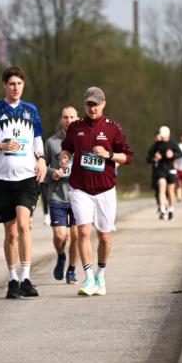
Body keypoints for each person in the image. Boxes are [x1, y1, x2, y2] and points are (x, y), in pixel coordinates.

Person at [0, 65, 48, 299]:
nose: (15, 88)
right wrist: (0, 146)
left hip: (26, 177)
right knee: (11, 232)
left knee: (24, 225)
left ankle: (26, 277)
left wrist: (41, 158)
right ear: (5, 86)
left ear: (23, 85)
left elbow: (37, 138)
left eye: (19, 84)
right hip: (2, 179)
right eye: (11, 84)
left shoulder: (31, 110)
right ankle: (12, 280)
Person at [60, 86, 133, 297]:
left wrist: (108, 155)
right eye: (89, 104)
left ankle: (100, 275)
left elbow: (127, 157)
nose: (92, 108)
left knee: (105, 236)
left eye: (96, 105)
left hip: (105, 189)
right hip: (80, 188)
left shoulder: (112, 128)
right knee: (83, 231)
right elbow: (67, 147)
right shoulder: (75, 127)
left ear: (103, 104)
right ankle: (89, 277)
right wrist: (65, 156)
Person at [42, 106, 80, 285]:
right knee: (60, 236)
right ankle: (61, 255)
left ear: (77, 119)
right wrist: (52, 173)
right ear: (61, 120)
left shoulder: (83, 140)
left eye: (72, 117)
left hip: (78, 195)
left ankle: (71, 270)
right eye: (65, 117)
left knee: (76, 236)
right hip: (57, 195)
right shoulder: (51, 142)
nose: (69, 120)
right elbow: (41, 167)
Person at [147, 126, 181, 221]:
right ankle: (162, 209)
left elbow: (180, 154)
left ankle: (171, 209)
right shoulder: (156, 145)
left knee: (170, 190)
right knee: (161, 186)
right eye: (161, 135)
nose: (162, 137)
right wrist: (154, 158)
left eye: (164, 135)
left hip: (170, 169)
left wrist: (173, 155)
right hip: (160, 170)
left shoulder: (173, 144)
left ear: (168, 135)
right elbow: (148, 158)